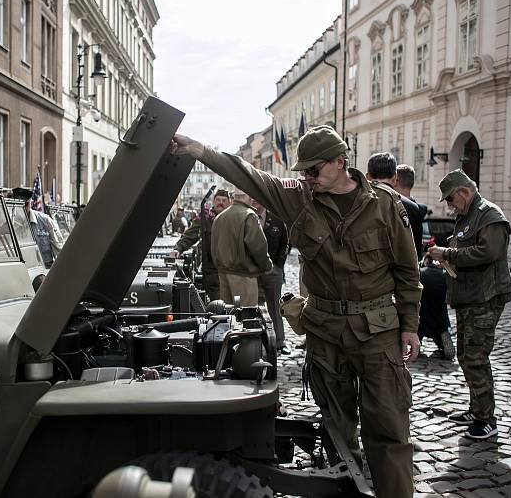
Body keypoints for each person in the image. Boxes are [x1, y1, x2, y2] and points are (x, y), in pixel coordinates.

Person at [172, 125, 421, 498]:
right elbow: (249, 176)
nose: (307, 177)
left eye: (314, 170)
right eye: (303, 171)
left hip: (377, 332)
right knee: (336, 428)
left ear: (340, 162)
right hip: (325, 332)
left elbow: (407, 269)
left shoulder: (385, 205)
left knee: (388, 431)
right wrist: (201, 150)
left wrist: (410, 326)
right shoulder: (298, 198)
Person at [428, 170, 511, 441]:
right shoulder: (468, 214)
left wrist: (448, 253)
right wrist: (446, 257)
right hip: (469, 297)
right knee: (465, 356)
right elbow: (467, 250)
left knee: (476, 357)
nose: (450, 204)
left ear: (464, 191)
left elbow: (488, 252)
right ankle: (476, 409)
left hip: (485, 298)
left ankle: (487, 419)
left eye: (451, 198)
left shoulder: (489, 215)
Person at [210, 190, 272, 307]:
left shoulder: (220, 217)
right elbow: (258, 247)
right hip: (243, 275)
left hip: (223, 273)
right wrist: (267, 265)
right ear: (249, 198)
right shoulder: (248, 215)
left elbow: (214, 246)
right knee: (246, 316)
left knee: (228, 316)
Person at [170, 189, 232, 301]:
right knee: (217, 304)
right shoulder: (205, 217)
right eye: (218, 200)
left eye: (224, 200)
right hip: (212, 271)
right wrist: (178, 249)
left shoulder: (234, 218)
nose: (221, 203)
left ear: (229, 202)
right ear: (213, 201)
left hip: (232, 269)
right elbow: (190, 235)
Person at [366, 153, 424, 259]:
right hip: (401, 272)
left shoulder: (358, 204)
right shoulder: (412, 208)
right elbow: (415, 253)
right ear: (395, 177)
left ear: (368, 176)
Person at [253, 199, 290, 353]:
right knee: (254, 307)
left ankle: (280, 341)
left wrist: (279, 266)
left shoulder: (276, 218)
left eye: (257, 197)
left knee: (275, 307)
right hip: (252, 272)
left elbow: (286, 243)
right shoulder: (247, 217)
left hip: (273, 271)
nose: (255, 201)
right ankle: (257, 342)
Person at [418, 251, 455, 360]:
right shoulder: (444, 275)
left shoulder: (420, 273)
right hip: (440, 315)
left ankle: (416, 345)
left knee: (418, 331)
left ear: (425, 261)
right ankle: (443, 344)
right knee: (442, 331)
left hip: (422, 314)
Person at [27, 201, 64, 268]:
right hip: (27, 265)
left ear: (31, 203)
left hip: (46, 265)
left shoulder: (45, 219)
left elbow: (58, 244)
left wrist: (62, 264)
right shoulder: (11, 222)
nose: (24, 207)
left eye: (26, 204)